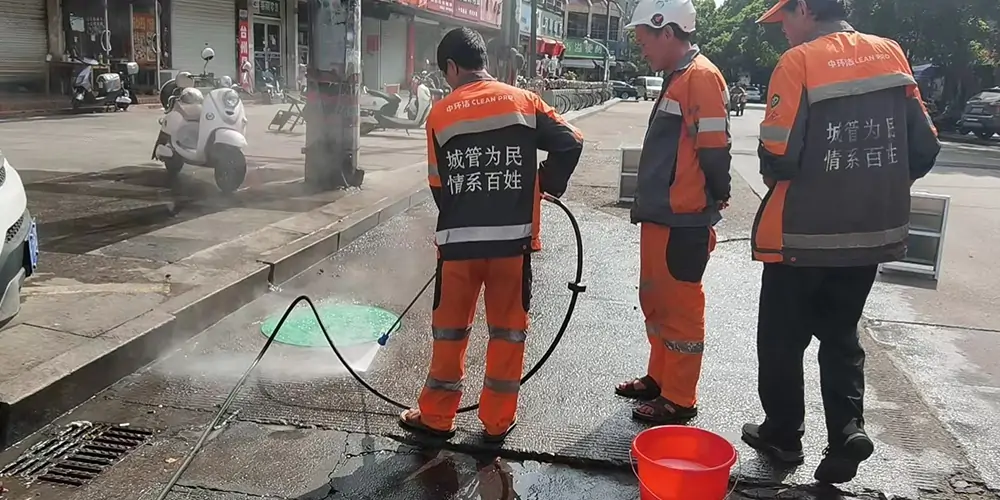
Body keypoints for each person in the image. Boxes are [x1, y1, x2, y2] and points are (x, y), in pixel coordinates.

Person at [746, 0, 940, 484]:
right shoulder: (891, 53)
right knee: (840, 335)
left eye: (785, 20)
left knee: (781, 339)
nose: (783, 32)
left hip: (801, 238)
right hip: (871, 236)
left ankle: (783, 435)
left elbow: (779, 155)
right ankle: (847, 431)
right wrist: (873, 191)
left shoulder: (799, 63)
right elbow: (925, 146)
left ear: (806, 8)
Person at [399, 27, 584, 442]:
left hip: (458, 248)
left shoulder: (440, 114)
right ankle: (497, 421)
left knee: (449, 334)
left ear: (451, 66)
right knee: (507, 333)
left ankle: (437, 417)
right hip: (511, 246)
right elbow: (571, 141)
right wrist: (544, 183)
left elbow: (437, 186)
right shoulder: (524, 102)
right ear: (483, 61)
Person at [614, 0, 732, 425]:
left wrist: (716, 198)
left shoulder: (700, 77)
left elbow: (715, 148)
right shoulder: (678, 78)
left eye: (645, 40)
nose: (643, 49)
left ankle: (680, 398)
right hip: (662, 216)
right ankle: (659, 378)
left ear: (667, 32)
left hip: (685, 218)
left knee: (680, 310)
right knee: (656, 301)